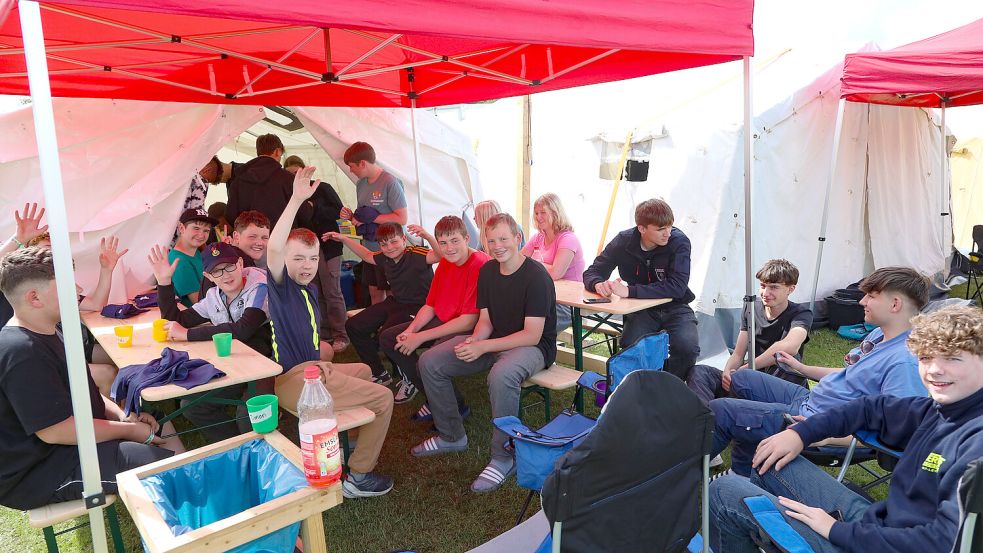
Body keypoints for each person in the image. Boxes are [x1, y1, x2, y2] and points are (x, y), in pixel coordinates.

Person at [709, 305, 983, 553]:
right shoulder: (938, 410)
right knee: (770, 456)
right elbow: (866, 409)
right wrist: (799, 434)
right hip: (879, 525)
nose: (934, 370)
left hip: (882, 544)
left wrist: (834, 530)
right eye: (926, 358)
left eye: (952, 359)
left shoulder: (975, 446)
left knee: (725, 490)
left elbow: (941, 543)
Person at [0, 247, 183, 511]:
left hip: (70, 443)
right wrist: (130, 430)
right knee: (164, 465)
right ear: (34, 298)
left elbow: (91, 394)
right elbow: (55, 430)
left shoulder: (54, 331)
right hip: (39, 472)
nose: (76, 290)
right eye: (65, 284)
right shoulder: (19, 350)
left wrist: (123, 416)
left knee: (162, 430)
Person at [708, 266, 930, 478]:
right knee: (744, 379)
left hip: (817, 421)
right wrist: (801, 368)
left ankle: (709, 475)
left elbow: (896, 430)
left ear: (895, 304)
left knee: (721, 410)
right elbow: (852, 375)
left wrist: (821, 434)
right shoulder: (880, 335)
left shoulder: (905, 363)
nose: (862, 301)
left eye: (871, 296)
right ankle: (745, 469)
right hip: (813, 400)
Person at [267, 165, 395, 499]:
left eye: (312, 258)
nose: (307, 265)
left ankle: (350, 445)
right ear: (286, 260)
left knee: (366, 370)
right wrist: (295, 200)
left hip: (314, 373)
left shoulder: (307, 288)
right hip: (297, 383)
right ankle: (359, 477)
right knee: (383, 397)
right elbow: (274, 249)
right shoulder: (283, 286)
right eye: (298, 258)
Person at [411, 213, 557, 493]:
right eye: (491, 241)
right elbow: (486, 320)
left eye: (504, 238)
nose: (498, 245)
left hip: (532, 348)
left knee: (501, 376)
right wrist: (475, 340)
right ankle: (451, 436)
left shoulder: (536, 276)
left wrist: (483, 346)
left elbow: (532, 335)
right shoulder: (489, 271)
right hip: (494, 339)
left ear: (518, 238)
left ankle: (504, 456)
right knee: (430, 361)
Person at [151, 242, 272, 442]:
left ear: (240, 263)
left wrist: (187, 334)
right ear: (208, 277)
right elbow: (176, 320)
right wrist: (164, 282)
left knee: (248, 415)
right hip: (232, 364)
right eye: (217, 272)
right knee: (192, 406)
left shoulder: (259, 286)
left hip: (267, 365)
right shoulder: (214, 297)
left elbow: (244, 329)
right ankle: (237, 446)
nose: (225, 275)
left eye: (229, 266)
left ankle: (258, 451)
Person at [582, 198, 700, 381]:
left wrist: (630, 291)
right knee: (631, 347)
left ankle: (667, 387)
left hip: (675, 306)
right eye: (661, 229)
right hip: (640, 309)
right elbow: (593, 272)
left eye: (670, 226)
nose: (667, 233)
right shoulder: (623, 241)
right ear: (642, 228)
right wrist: (598, 284)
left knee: (687, 347)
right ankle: (637, 389)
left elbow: (677, 287)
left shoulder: (679, 242)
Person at [379, 216, 490, 405]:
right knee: (390, 338)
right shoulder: (446, 261)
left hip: (470, 327)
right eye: (443, 243)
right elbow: (430, 305)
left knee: (431, 357)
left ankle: (456, 405)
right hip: (445, 320)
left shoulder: (479, 263)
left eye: (455, 241)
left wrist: (421, 337)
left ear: (466, 239)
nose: (449, 248)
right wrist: (411, 331)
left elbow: (469, 320)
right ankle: (432, 397)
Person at [688, 259, 813, 405]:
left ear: (791, 289)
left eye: (774, 287)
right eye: (763, 286)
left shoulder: (801, 313)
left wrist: (746, 369)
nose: (766, 293)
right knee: (700, 372)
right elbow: (738, 353)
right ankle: (704, 417)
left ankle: (725, 411)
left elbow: (789, 347)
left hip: (779, 382)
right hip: (747, 378)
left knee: (782, 365)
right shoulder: (751, 307)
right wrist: (728, 372)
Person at [324, 222, 435, 385]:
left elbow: (439, 255)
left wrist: (427, 236)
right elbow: (367, 255)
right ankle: (379, 372)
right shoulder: (385, 258)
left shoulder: (417, 254)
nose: (389, 247)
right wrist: (343, 239)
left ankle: (409, 378)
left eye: (394, 241)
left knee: (388, 335)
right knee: (354, 325)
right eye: (384, 244)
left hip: (421, 306)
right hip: (396, 302)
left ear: (404, 239)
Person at [290, 156, 351, 353]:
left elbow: (339, 212)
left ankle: (341, 334)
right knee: (316, 291)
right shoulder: (292, 195)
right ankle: (325, 335)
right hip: (308, 251)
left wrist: (315, 208)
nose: (295, 176)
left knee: (332, 290)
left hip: (330, 246)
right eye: (290, 174)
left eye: (297, 172)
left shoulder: (322, 188)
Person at [341, 141, 408, 305]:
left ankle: (392, 327)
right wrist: (351, 216)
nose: (350, 170)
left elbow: (402, 218)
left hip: (390, 250)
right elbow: (362, 215)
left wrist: (375, 217)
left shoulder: (390, 182)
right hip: (369, 249)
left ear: (362, 163)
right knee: (374, 293)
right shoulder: (361, 184)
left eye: (351, 166)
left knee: (393, 294)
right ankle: (377, 327)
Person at [521, 193, 585, 332]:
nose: (538, 217)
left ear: (555, 212)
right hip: (543, 297)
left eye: (543, 212)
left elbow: (556, 273)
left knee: (531, 328)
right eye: (536, 213)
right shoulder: (538, 237)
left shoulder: (568, 238)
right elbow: (519, 262)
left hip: (568, 304)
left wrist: (532, 263)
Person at [226, 133, 311, 229]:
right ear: (277, 152)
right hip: (283, 239)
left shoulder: (239, 179)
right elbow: (304, 215)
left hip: (250, 239)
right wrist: (310, 207)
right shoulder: (288, 179)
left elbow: (231, 215)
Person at [200, 210, 268, 297]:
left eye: (265, 237)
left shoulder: (258, 260)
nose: (259, 243)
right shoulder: (240, 260)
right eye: (252, 237)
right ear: (236, 236)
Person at [168, 207, 217, 306]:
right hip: (201, 318)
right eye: (196, 228)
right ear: (181, 228)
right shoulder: (179, 261)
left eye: (206, 231)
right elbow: (200, 303)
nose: (201, 235)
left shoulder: (196, 252)